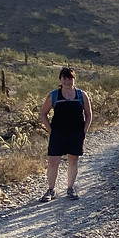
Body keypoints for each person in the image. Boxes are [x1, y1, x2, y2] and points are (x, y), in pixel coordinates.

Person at [38, 66, 92, 201]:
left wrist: (84, 131)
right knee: (53, 161)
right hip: (58, 133)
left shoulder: (82, 95)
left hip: (76, 133)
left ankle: (70, 188)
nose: (67, 81)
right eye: (64, 78)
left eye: (70, 78)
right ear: (60, 79)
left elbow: (89, 114)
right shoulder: (54, 95)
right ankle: (51, 190)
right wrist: (50, 130)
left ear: (74, 79)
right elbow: (43, 114)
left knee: (73, 161)